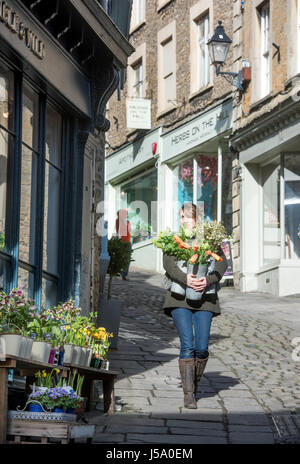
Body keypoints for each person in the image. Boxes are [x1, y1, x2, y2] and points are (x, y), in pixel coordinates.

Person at [162, 203, 228, 409]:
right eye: (181, 217)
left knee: (201, 347)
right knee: (187, 344)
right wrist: (186, 279)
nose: (183, 221)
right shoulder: (174, 239)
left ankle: (194, 383)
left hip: (205, 299)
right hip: (179, 298)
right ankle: (189, 395)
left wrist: (207, 280)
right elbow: (168, 264)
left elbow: (222, 263)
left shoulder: (210, 240)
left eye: (187, 218)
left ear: (197, 220)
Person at [115, 209, 132, 280]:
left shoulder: (118, 221)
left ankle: (119, 272)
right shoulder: (125, 222)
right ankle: (124, 274)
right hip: (126, 242)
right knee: (127, 259)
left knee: (120, 257)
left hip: (122, 242)